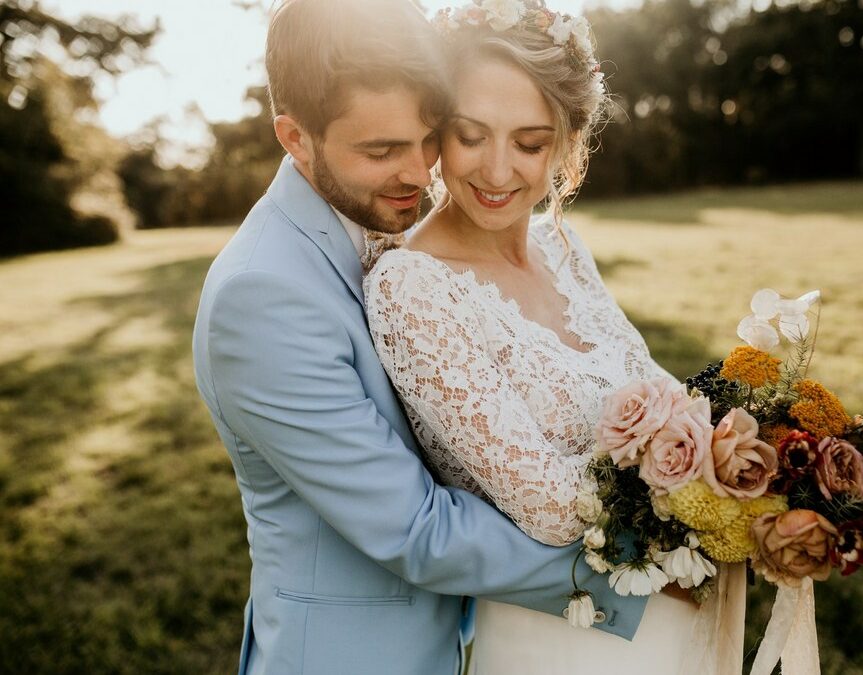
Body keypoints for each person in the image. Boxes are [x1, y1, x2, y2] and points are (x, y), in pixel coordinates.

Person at [191, 1, 657, 673]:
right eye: (382, 150)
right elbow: (416, 529)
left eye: (428, 137)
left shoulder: (385, 219)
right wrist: (643, 571)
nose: (419, 173)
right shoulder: (261, 295)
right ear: (295, 138)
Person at [363, 2, 748, 674]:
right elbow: (545, 504)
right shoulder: (411, 286)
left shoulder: (564, 251)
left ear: (569, 142)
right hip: (564, 643)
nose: (498, 168)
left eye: (530, 141)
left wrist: (764, 467)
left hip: (673, 622)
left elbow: (668, 400)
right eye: (471, 134)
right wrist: (706, 498)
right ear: (436, 132)